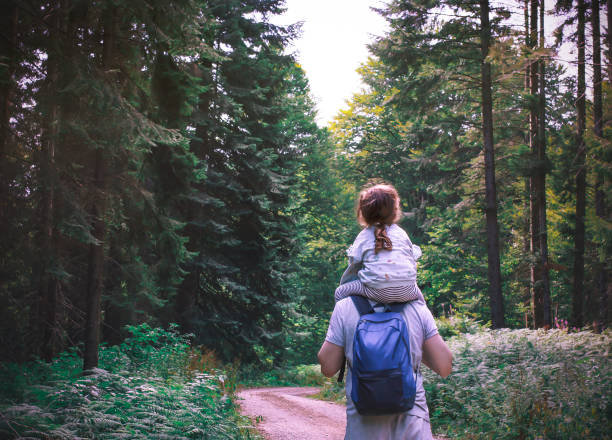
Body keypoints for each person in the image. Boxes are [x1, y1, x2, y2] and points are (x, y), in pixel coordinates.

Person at [319, 183, 453, 439]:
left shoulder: (346, 307)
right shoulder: (416, 305)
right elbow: (445, 366)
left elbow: (328, 367)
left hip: (364, 421)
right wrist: (408, 351)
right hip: (412, 424)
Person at [334, 183, 425, 304]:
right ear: (395, 210)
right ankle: (425, 316)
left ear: (363, 213)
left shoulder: (364, 236)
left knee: (340, 292)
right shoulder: (401, 233)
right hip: (407, 290)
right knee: (421, 301)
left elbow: (353, 263)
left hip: (376, 292)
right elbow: (412, 259)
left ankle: (358, 317)